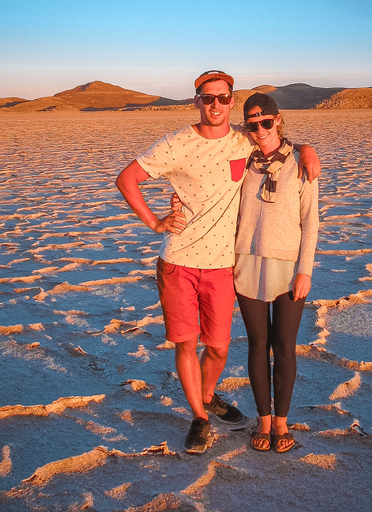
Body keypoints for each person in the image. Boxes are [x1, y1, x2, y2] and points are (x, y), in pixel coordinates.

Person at [116, 71, 320, 454]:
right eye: (207, 97)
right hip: (183, 260)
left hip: (225, 264)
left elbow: (280, 146)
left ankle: (211, 395)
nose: (215, 104)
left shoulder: (245, 142)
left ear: (231, 101)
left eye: (223, 98)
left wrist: (307, 148)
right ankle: (200, 417)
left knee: (221, 346)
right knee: (190, 342)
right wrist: (156, 221)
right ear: (196, 100)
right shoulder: (179, 143)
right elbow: (126, 178)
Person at [235, 93, 319, 453]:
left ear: (278, 119)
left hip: (288, 267)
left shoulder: (301, 163)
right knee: (257, 344)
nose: (259, 130)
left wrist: (305, 271)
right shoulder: (239, 159)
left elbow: (310, 222)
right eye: (252, 124)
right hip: (247, 262)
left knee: (284, 345)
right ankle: (264, 419)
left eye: (265, 122)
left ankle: (282, 421)